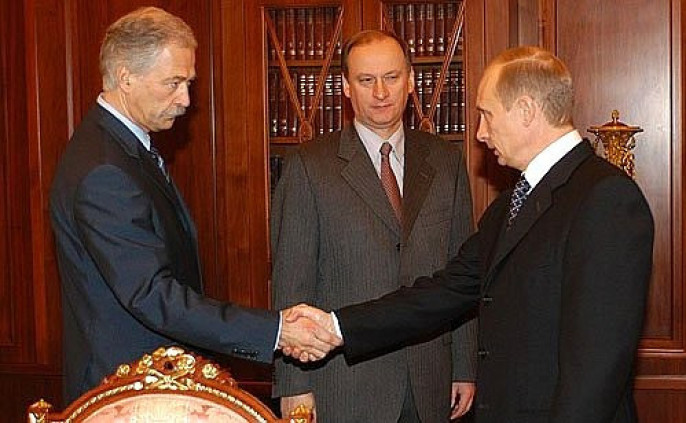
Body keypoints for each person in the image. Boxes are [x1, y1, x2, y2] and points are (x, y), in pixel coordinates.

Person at [287, 46, 655, 423]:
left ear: (526, 111)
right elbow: (444, 291)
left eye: (487, 114)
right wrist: (335, 327)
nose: (480, 133)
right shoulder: (510, 204)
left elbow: (597, 368)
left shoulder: (605, 198)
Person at [49, 7, 339, 404]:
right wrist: (275, 331)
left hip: (154, 383)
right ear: (125, 77)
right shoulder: (104, 170)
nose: (185, 100)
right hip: (125, 392)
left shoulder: (120, 148)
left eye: (187, 83)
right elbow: (152, 295)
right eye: (173, 83)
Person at [271, 30, 477, 422]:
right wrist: (293, 385)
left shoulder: (445, 161)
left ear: (411, 81)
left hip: (430, 379)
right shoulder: (309, 167)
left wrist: (465, 366)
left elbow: (463, 270)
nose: (381, 92)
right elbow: (291, 285)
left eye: (391, 77)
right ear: (346, 87)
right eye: (366, 80)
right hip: (346, 386)